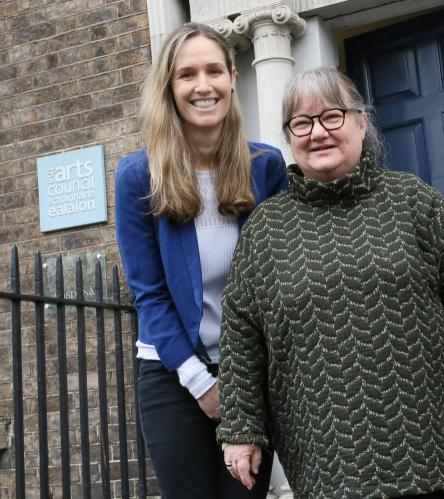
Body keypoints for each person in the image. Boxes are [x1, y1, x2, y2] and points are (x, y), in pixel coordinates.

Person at [217, 68, 444, 498]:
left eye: (331, 116)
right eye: (302, 122)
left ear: (360, 122)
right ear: (289, 136)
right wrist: (241, 427)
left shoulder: (414, 201)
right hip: (324, 455)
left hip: (427, 445)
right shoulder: (266, 230)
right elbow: (241, 330)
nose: (318, 132)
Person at [114, 23, 287, 499]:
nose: (203, 85)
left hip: (248, 374)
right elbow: (148, 293)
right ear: (169, 87)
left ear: (233, 77)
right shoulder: (137, 176)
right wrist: (201, 384)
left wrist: (244, 383)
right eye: (187, 74)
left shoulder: (266, 168)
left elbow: (278, 284)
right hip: (172, 375)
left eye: (214, 70)